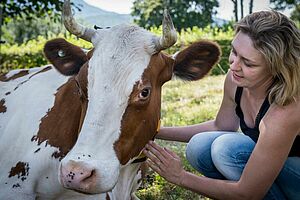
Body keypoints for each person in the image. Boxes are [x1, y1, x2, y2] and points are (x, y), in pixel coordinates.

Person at [143, 10, 300, 200]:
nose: (234, 65)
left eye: (248, 63)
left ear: (276, 67)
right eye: (234, 52)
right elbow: (220, 126)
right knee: (199, 147)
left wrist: (180, 177)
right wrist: (155, 130)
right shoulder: (235, 81)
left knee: (226, 150)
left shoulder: (287, 109)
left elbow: (248, 193)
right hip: (279, 167)